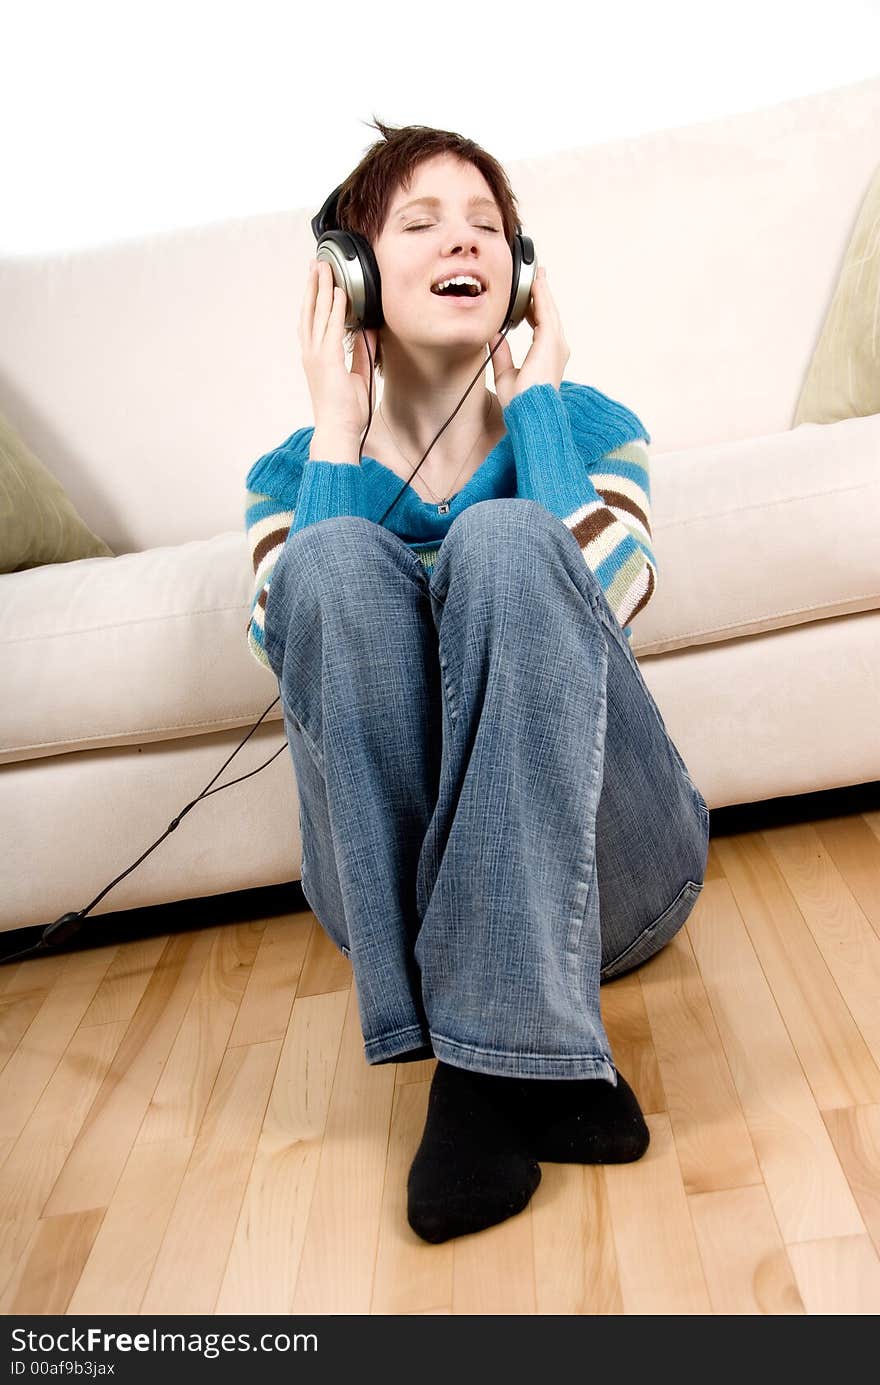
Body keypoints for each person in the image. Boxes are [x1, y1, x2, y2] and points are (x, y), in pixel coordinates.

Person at [243, 120, 710, 1245]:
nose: (465, 239)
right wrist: (337, 440)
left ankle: (472, 1073)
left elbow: (618, 596)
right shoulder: (294, 476)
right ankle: (523, 1060)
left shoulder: (591, 426)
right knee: (331, 564)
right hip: (393, 911)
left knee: (509, 541)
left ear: (522, 269)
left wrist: (536, 401)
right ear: (347, 276)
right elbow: (296, 652)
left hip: (617, 879)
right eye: (421, 221)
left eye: (487, 225)